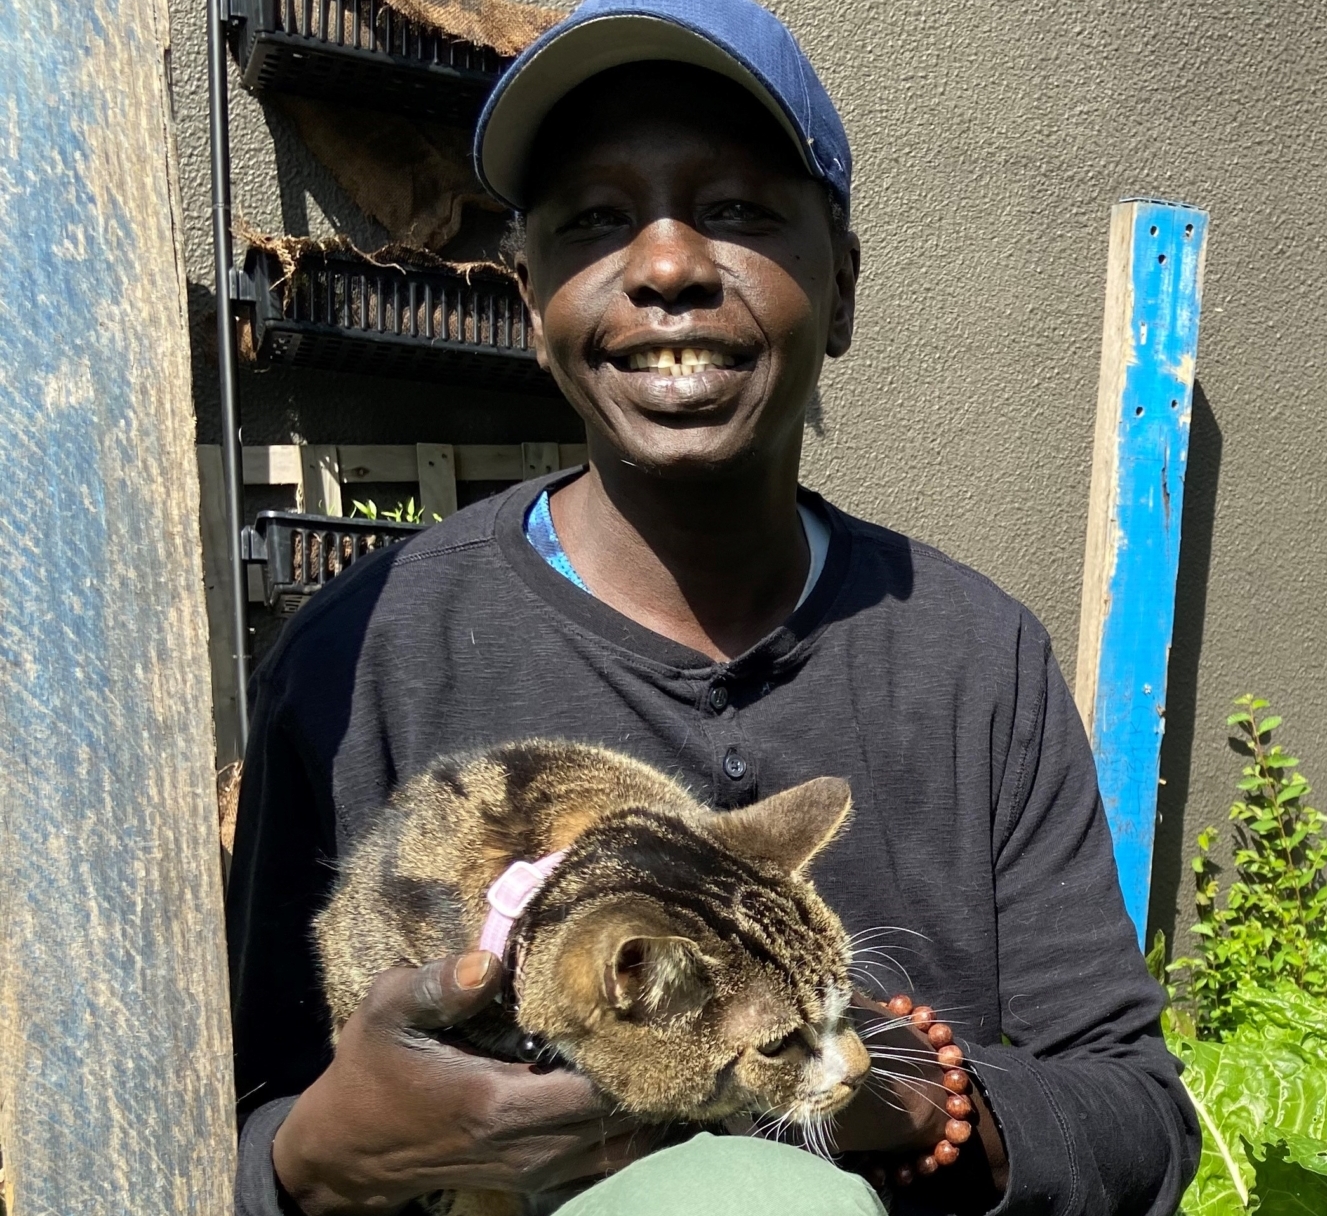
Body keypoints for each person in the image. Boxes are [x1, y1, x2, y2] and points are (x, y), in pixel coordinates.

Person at [227, 1, 1201, 1213]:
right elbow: (227, 1114)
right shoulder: (364, 656)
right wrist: (314, 1157)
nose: (670, 265)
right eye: (594, 219)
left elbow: (1137, 1118)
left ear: (839, 290)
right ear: (533, 307)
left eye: (737, 209)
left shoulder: (973, 656)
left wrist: (907, 1101)